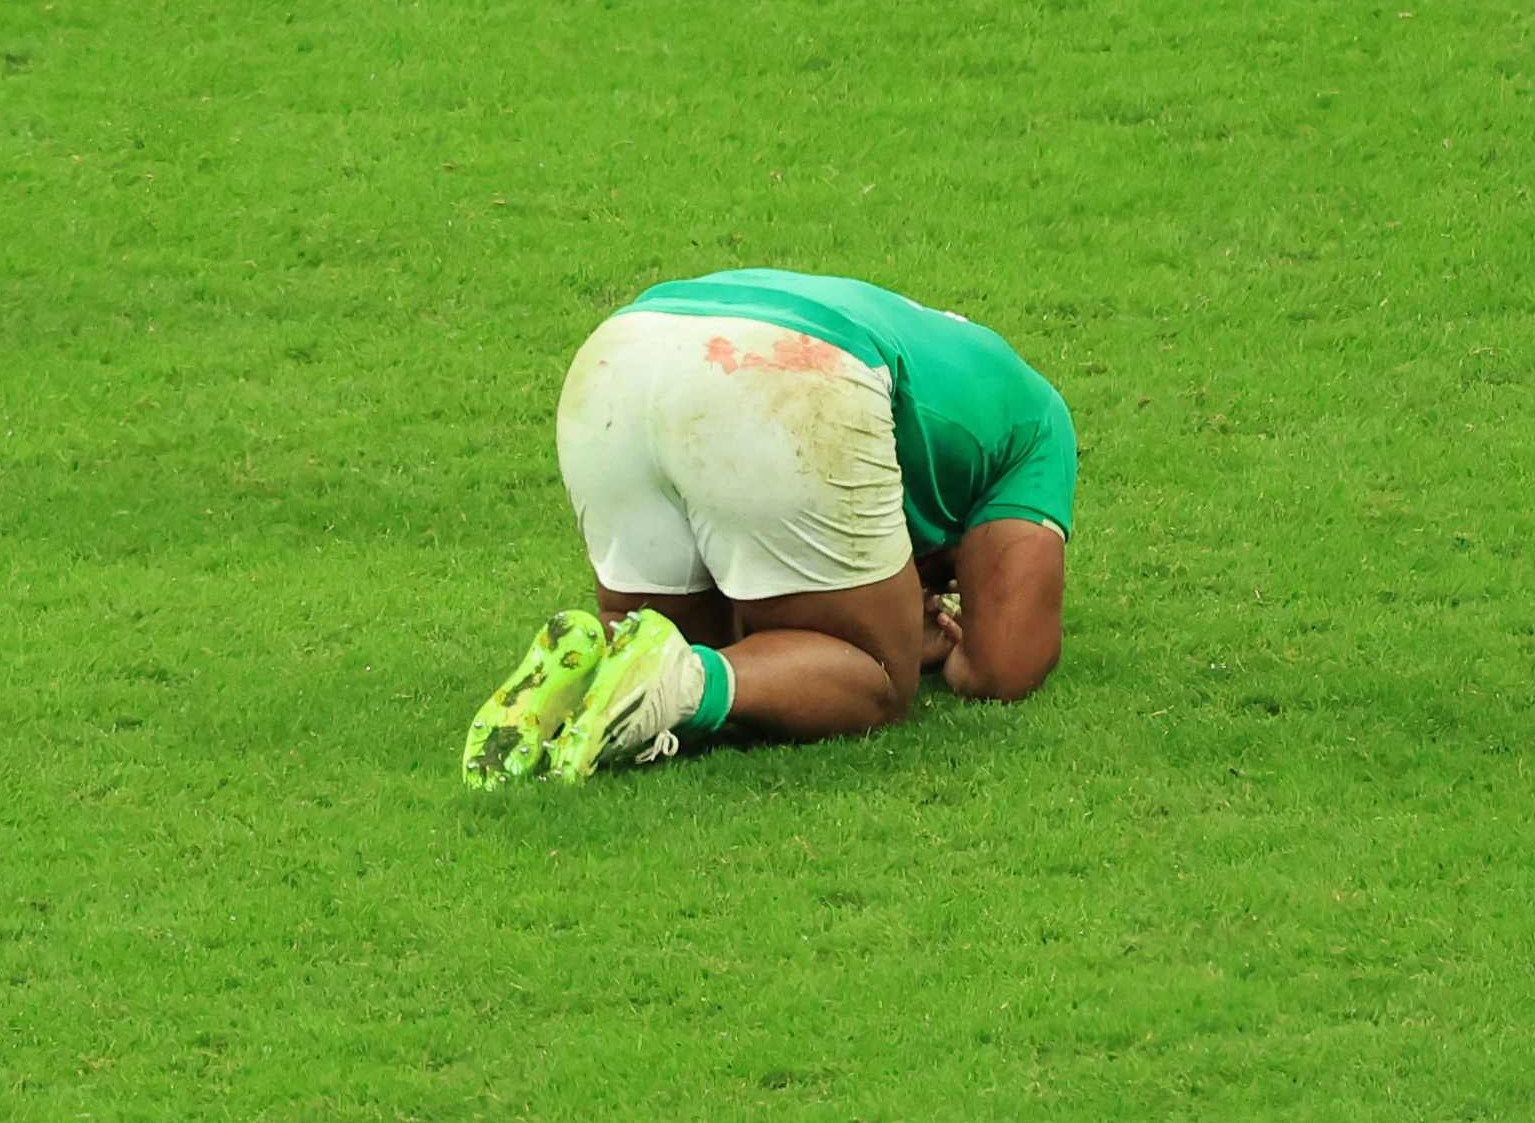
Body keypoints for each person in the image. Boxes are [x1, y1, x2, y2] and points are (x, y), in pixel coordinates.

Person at [462, 269, 1077, 782]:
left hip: (623, 351)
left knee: (664, 637)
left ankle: (588, 677)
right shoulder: (1040, 422)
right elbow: (1004, 665)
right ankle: (680, 684)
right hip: (790, 369)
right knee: (878, 673)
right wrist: (930, 645)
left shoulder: (951, 360)